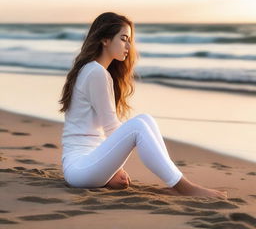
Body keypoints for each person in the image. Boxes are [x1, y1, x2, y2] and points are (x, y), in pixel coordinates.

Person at [59, 12, 227, 198]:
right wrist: (114, 168)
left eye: (130, 40)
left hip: (89, 161)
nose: (129, 46)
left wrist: (111, 170)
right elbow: (110, 128)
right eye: (124, 39)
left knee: (145, 119)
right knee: (138, 125)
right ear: (105, 40)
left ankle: (174, 182)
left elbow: (103, 133)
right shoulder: (96, 72)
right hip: (80, 167)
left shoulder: (92, 70)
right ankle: (184, 187)